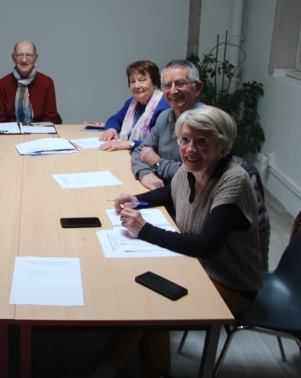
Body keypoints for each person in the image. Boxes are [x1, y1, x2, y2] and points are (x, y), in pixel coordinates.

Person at [74, 106, 263, 378]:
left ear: (222, 147)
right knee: (146, 294)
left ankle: (108, 363)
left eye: (202, 142)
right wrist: (137, 200)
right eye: (185, 140)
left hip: (229, 283)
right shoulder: (193, 169)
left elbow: (204, 246)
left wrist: (144, 229)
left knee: (153, 303)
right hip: (194, 266)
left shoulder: (232, 181)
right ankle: (133, 367)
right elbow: (170, 193)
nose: (189, 149)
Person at [131, 59, 204, 190]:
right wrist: (145, 173)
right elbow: (139, 152)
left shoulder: (205, 123)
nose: (173, 91)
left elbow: (196, 174)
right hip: (163, 190)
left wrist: (157, 163)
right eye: (167, 85)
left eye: (180, 84)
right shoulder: (165, 116)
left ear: (197, 88)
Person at [98, 60, 170, 151]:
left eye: (142, 80)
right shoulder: (132, 103)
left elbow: (158, 143)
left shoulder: (164, 107)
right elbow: (115, 119)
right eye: (132, 81)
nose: (136, 85)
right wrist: (111, 129)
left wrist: (130, 143)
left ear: (155, 83)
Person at [0, 40, 61, 124]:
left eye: (29, 55)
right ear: (13, 58)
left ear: (36, 58)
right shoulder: (2, 84)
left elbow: (50, 119)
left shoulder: (47, 83)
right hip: (10, 134)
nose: (24, 60)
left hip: (40, 133)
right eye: (20, 55)